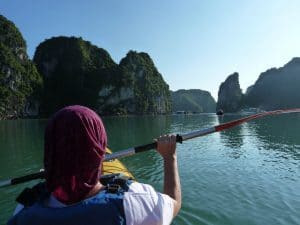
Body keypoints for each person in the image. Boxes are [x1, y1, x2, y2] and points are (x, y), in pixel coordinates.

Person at [8, 105, 181, 225]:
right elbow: (174, 203)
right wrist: (169, 157)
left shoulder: (23, 209)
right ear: (99, 148)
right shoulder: (134, 202)